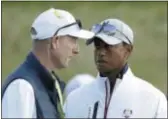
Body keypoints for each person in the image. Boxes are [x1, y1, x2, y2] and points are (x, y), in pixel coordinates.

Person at [63, 19, 167, 118]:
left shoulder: (153, 100)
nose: (101, 52)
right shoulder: (74, 100)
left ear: (128, 50)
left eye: (108, 46)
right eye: (97, 45)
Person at [2, 8, 94, 118]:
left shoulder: (47, 86)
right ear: (55, 41)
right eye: (73, 40)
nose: (76, 50)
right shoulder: (22, 87)